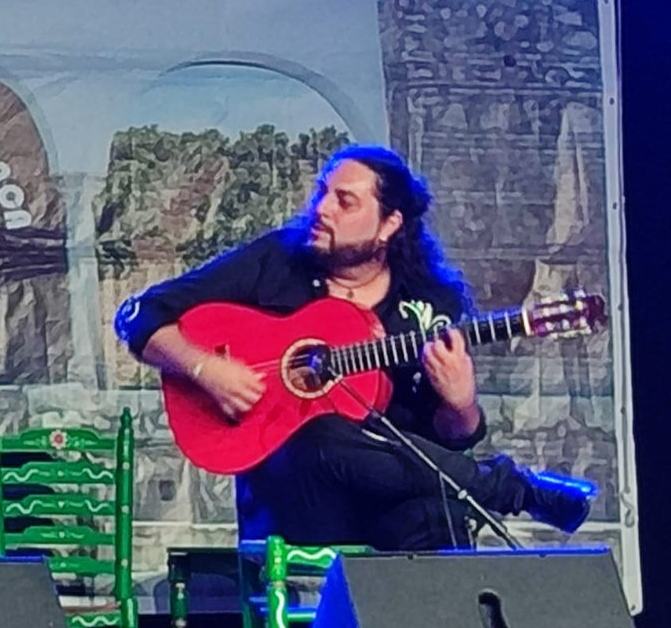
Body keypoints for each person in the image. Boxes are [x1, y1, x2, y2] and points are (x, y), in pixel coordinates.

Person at [114, 144, 592, 552]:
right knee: (323, 433)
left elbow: (445, 438)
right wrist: (205, 369)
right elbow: (139, 316)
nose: (322, 208)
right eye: (323, 193)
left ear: (389, 225)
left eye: (344, 201)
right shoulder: (276, 261)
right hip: (299, 495)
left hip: (391, 496)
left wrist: (461, 405)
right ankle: (509, 488)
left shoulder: (428, 304)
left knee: (436, 514)